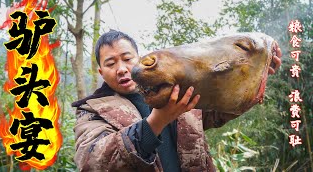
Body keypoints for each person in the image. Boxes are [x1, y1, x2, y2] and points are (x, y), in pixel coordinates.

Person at [71, 30, 282, 172]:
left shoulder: (175, 91)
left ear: (138, 57)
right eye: (111, 63)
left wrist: (257, 76)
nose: (122, 69)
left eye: (127, 59)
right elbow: (92, 161)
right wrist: (156, 122)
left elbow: (219, 111)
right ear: (101, 71)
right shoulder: (92, 110)